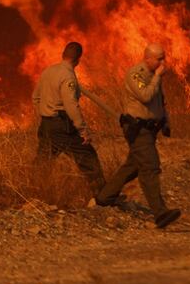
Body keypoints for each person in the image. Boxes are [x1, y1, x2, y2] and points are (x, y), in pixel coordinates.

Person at [96, 43, 181, 229]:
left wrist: (165, 122)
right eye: (159, 58)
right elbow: (145, 96)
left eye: (163, 58)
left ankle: (104, 196)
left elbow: (160, 102)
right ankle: (160, 213)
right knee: (149, 166)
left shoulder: (154, 77)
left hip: (150, 129)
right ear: (148, 58)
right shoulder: (136, 74)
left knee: (133, 165)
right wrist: (157, 77)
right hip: (138, 128)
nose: (162, 62)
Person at [32, 42, 106, 197]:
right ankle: (103, 196)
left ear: (62, 54)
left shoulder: (48, 71)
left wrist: (46, 113)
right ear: (78, 60)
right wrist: (82, 130)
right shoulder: (68, 76)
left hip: (46, 124)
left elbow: (36, 97)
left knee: (43, 161)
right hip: (62, 125)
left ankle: (35, 193)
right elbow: (71, 106)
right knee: (87, 157)